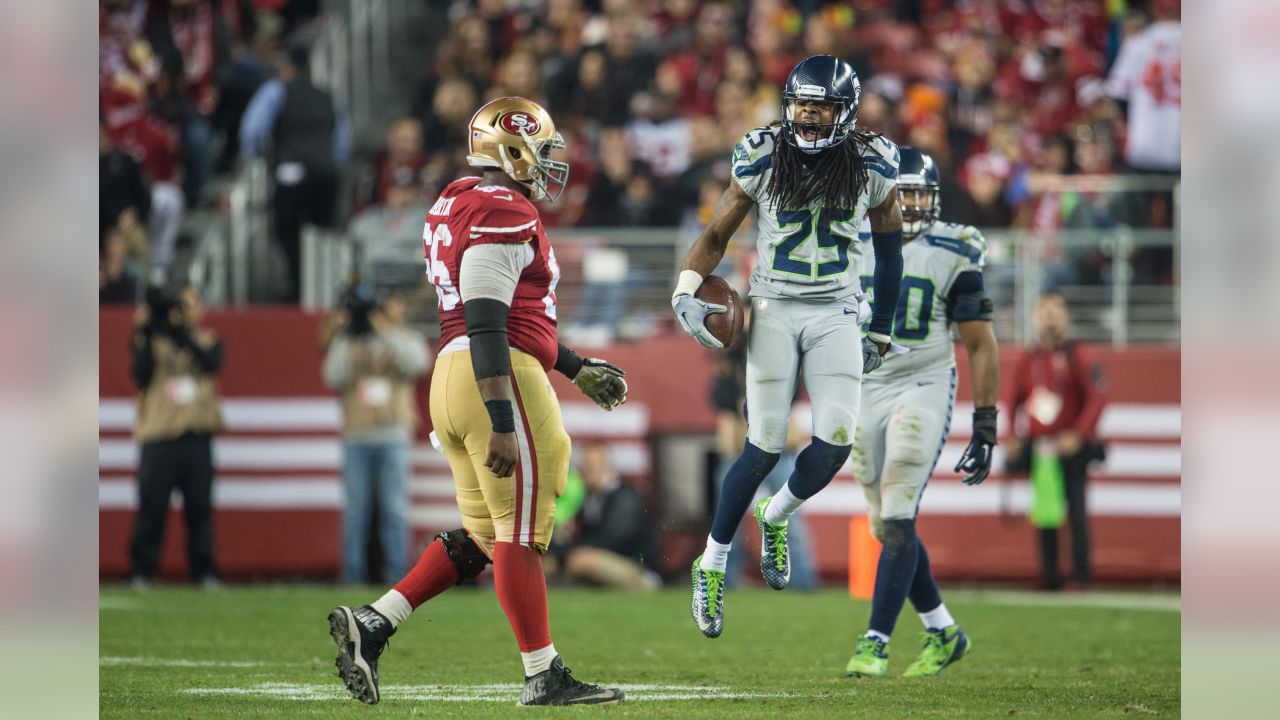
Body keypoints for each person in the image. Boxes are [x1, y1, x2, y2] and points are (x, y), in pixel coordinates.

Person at [328, 97, 628, 707]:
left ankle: (376, 622)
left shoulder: (459, 197)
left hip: (452, 373)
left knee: (486, 535)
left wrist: (573, 367)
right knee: (519, 532)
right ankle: (543, 674)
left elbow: (502, 317)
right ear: (511, 150)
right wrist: (501, 419)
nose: (548, 165)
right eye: (540, 151)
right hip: (494, 376)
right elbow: (489, 319)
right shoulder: (503, 209)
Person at [671, 55, 905, 638]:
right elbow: (717, 232)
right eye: (800, 104)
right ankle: (714, 563)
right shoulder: (762, 153)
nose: (806, 116)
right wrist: (685, 288)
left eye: (819, 107)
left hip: (836, 308)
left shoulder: (874, 162)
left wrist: (882, 326)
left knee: (834, 444)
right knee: (762, 446)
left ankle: (775, 518)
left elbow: (892, 250)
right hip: (774, 306)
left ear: (845, 112)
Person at [844, 147, 999, 679]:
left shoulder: (953, 249)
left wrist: (985, 424)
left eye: (918, 193)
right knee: (884, 524)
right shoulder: (851, 242)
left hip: (924, 380)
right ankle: (943, 630)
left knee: (898, 508)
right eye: (901, 191)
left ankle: (875, 641)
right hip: (866, 385)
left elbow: (980, 343)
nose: (909, 203)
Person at [323, 287, 430, 584]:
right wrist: (348, 333)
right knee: (356, 510)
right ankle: (352, 574)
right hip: (357, 432)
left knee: (394, 509)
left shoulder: (404, 338)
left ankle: (399, 574)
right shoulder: (349, 339)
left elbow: (417, 363)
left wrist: (383, 331)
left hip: (393, 432)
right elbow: (332, 375)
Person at [1006, 292, 1108, 590]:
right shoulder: (1028, 358)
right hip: (1041, 448)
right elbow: (1012, 399)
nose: (1049, 318)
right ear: (1036, 318)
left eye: (1055, 312)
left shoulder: (1080, 356)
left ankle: (1081, 575)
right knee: (1046, 511)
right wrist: (1011, 435)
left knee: (1076, 511)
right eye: (1044, 312)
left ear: (1066, 318)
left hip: (1071, 447)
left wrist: (1079, 433)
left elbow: (1097, 397)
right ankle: (1048, 575)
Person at [128, 284, 224, 590]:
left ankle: (204, 570)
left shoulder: (208, 339)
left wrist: (181, 333)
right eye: (179, 304)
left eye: (190, 304)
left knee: (199, 509)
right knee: (152, 508)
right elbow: (140, 373)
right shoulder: (150, 340)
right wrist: (149, 329)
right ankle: (141, 570)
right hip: (159, 435)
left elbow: (212, 364)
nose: (184, 310)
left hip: (196, 435)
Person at [240, 44, 351, 302]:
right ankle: (323, 291)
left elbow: (253, 129)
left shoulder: (276, 91)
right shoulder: (329, 96)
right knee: (324, 232)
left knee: (285, 228)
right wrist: (330, 165)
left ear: (288, 67)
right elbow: (343, 140)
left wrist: (262, 156)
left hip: (291, 170)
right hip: (326, 174)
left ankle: (298, 285)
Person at [548, 444, 659, 591]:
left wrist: (562, 554)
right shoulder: (586, 500)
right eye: (583, 468)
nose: (585, 473)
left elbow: (610, 539)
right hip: (604, 559)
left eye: (591, 467)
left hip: (637, 570)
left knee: (582, 560)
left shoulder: (625, 497)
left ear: (607, 467)